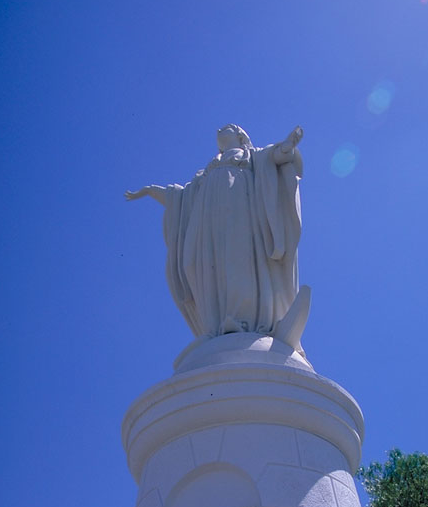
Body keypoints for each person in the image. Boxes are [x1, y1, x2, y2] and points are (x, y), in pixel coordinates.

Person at [125, 124, 309, 352]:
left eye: (229, 127)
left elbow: (276, 156)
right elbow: (181, 198)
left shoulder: (251, 155)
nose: (220, 129)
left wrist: (288, 145)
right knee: (191, 263)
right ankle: (215, 324)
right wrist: (151, 190)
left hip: (240, 207)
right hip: (209, 218)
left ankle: (240, 320)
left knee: (237, 258)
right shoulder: (206, 173)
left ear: (241, 136)